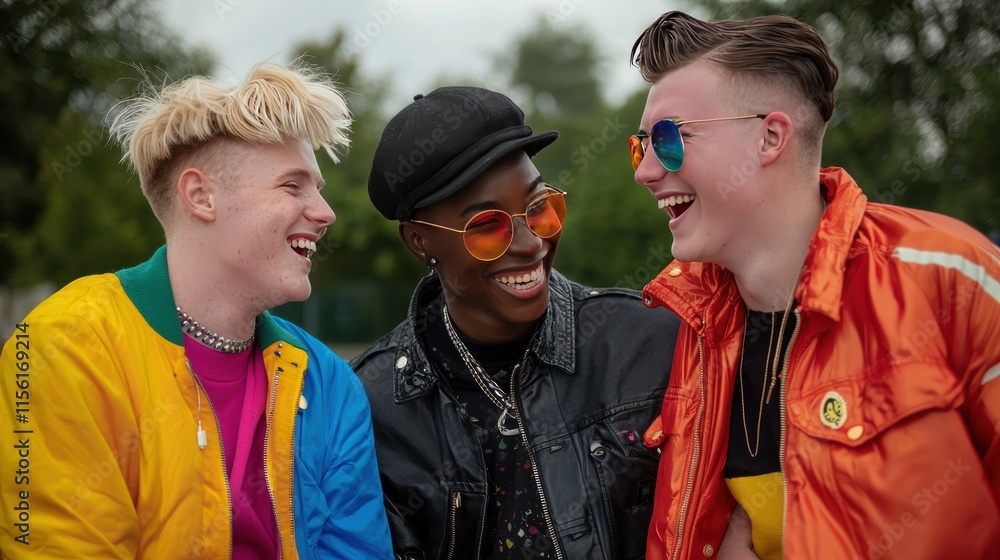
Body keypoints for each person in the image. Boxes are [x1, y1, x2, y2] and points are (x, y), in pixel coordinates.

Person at [628, 10, 1000, 560]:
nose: (645, 171)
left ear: (770, 137)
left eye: (669, 138)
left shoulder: (951, 277)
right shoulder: (690, 327)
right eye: (641, 145)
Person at [0, 62, 392, 558]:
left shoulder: (328, 382)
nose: (325, 212)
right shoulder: (63, 347)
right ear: (201, 196)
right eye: (292, 186)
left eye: (319, 188)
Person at [351, 86, 681, 559]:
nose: (531, 244)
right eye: (487, 226)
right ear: (418, 241)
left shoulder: (651, 341)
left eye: (538, 207)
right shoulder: (371, 406)